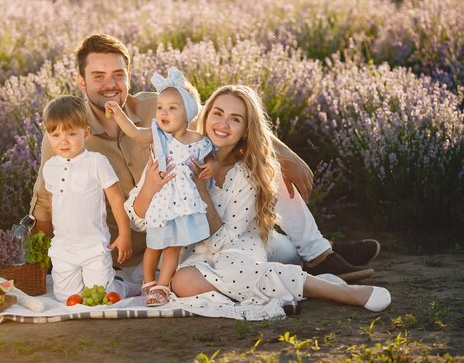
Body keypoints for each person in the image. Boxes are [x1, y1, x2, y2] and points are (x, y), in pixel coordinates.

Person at [30, 33, 378, 295]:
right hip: (141, 250)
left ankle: (318, 253)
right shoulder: (67, 135)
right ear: (81, 81)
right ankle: (312, 257)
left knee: (266, 167)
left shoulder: (156, 106)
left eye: (118, 74)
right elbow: (47, 204)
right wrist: (41, 261)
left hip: (191, 222)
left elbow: (219, 124)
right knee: (246, 250)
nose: (110, 84)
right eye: (98, 76)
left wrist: (285, 154)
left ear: (129, 75)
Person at [127, 85, 390, 316]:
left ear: (245, 130)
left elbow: (225, 238)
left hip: (241, 244)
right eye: (217, 113)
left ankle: (332, 289)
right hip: (195, 255)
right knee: (183, 282)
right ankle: (300, 278)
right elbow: (138, 220)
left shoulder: (247, 173)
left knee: (239, 266)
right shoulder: (175, 153)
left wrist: (202, 191)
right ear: (205, 116)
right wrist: (150, 186)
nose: (223, 124)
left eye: (235, 119)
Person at [105, 66, 217, 306]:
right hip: (161, 201)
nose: (163, 113)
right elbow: (133, 132)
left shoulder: (197, 140)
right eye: (160, 107)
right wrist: (117, 114)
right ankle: (148, 282)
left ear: (188, 114)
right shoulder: (158, 135)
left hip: (182, 204)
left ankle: (163, 286)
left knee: (173, 247)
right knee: (154, 244)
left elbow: (211, 157)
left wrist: (212, 167)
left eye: (172, 108)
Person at [41, 95, 132, 302]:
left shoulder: (96, 163)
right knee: (66, 297)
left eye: (71, 133)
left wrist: (124, 234)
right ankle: (78, 280)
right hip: (65, 247)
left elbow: (117, 199)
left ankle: (120, 284)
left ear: (86, 133)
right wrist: (58, 233)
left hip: (93, 245)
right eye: (55, 135)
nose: (63, 141)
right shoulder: (50, 167)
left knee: (101, 295)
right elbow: (54, 201)